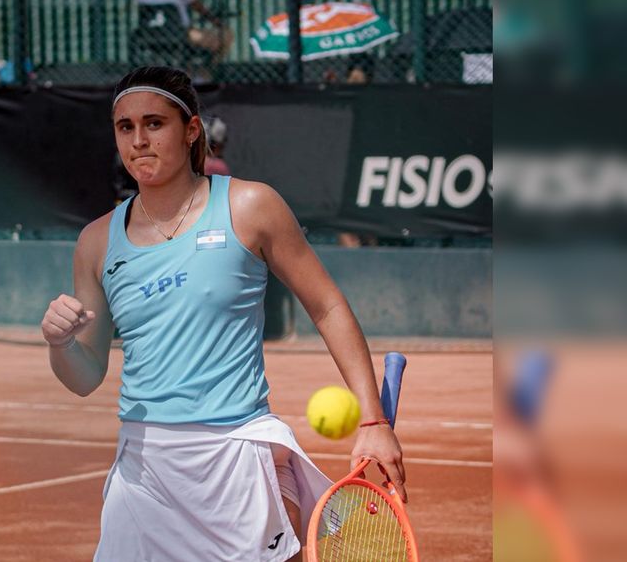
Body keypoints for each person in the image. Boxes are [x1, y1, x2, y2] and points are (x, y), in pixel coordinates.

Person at [41, 66, 407, 562]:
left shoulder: (250, 205)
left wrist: (372, 420)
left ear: (190, 130)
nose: (139, 140)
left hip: (237, 452)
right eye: (125, 127)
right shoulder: (96, 242)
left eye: (155, 123)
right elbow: (86, 377)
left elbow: (327, 306)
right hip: (144, 467)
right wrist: (61, 344)